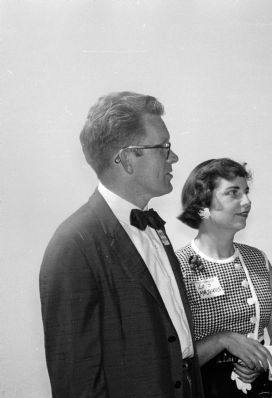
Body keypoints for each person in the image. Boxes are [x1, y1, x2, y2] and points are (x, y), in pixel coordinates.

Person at [39, 92, 202, 397]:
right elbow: (76, 384)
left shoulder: (154, 228)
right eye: (164, 147)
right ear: (127, 158)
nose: (174, 158)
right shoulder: (74, 245)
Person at [176, 158, 272, 398]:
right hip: (206, 390)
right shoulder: (178, 266)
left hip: (260, 385)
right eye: (233, 193)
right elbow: (172, 355)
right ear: (203, 205)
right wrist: (222, 340)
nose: (247, 202)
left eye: (246, 192)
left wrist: (265, 358)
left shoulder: (258, 259)